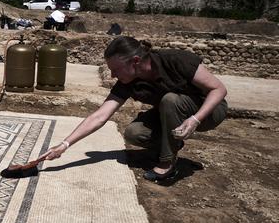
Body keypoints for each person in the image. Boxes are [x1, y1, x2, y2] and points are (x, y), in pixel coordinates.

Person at [42, 36, 228, 182]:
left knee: (170, 100)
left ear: (136, 61)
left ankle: (167, 164)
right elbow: (100, 116)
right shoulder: (128, 81)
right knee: (134, 133)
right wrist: (64, 145)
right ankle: (171, 144)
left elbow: (219, 89)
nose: (113, 74)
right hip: (172, 113)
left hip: (209, 110)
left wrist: (195, 119)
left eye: (116, 69)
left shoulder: (174, 60)